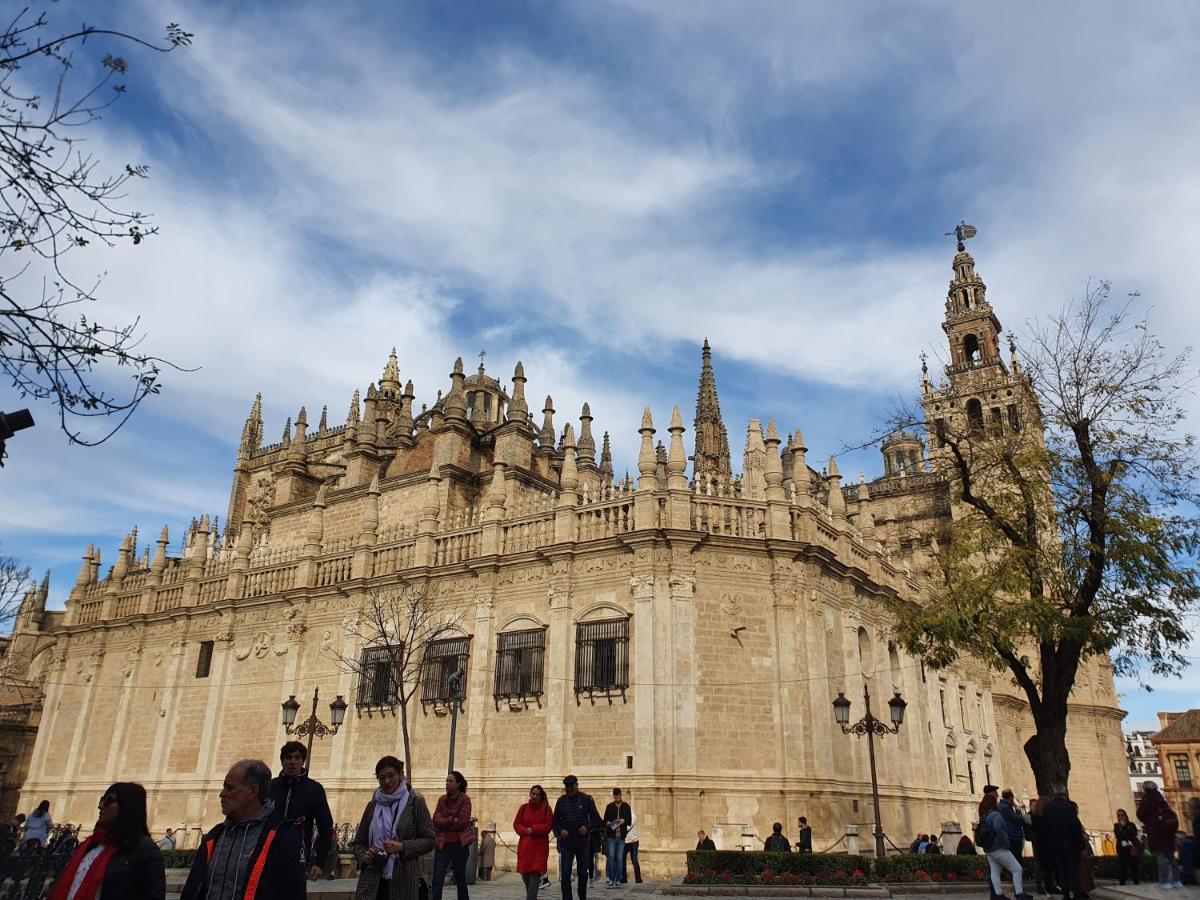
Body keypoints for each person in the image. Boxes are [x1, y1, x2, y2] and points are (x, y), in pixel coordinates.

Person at [180, 759, 306, 900]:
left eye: (230, 788)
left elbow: (294, 893)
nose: (222, 794)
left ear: (252, 791)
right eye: (224, 787)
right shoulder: (214, 837)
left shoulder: (283, 836)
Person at [46, 782, 165, 900]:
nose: (101, 805)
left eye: (109, 801)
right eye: (102, 799)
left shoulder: (145, 850)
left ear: (128, 806)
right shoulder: (91, 844)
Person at [350, 755, 435, 900]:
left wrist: (402, 847)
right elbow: (358, 842)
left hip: (404, 878)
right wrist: (364, 855)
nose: (387, 781)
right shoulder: (373, 806)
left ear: (401, 774)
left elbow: (430, 840)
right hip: (372, 878)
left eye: (391, 776)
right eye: (382, 778)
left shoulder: (415, 804)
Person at [269, 740, 334, 882]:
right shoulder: (270, 787)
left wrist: (319, 862)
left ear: (303, 761)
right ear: (282, 761)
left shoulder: (314, 789)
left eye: (297, 758)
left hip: (298, 856)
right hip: (268, 854)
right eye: (288, 757)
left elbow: (325, 826)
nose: (292, 762)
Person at [552, 774, 602, 900]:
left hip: (582, 843)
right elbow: (555, 821)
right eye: (567, 787)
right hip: (566, 844)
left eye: (571, 786)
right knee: (565, 874)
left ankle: (582, 896)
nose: (569, 789)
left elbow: (596, 819)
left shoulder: (587, 799)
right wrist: (560, 831)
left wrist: (587, 827)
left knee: (583, 874)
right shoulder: (561, 801)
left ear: (576, 785)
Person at [979, 793, 1030, 900]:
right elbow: (999, 829)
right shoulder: (995, 815)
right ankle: (1019, 893)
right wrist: (1006, 842)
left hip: (989, 848)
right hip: (998, 847)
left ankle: (998, 894)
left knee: (995, 871)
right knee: (1017, 869)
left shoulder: (985, 816)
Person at [431, 770, 473, 900]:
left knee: (460, 879)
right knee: (437, 879)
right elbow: (435, 820)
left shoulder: (465, 800)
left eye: (450, 781)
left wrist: (444, 821)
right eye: (446, 781)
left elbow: (462, 822)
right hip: (443, 844)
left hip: (459, 845)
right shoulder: (442, 800)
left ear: (458, 784)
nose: (447, 783)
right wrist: (450, 820)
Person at [1042, 786, 1085, 900]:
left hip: (1055, 844)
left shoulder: (1048, 808)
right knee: (1073, 869)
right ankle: (1076, 892)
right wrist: (1080, 841)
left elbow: (1045, 827)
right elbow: (1074, 826)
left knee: (1061, 869)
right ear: (1064, 794)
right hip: (1070, 844)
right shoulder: (1068, 807)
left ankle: (1065, 893)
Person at [1137, 780, 1182, 889]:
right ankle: (1176, 880)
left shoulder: (1147, 799)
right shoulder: (1161, 798)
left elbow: (1140, 814)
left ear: (1145, 789)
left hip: (1156, 831)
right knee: (1171, 856)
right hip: (1168, 832)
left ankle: (1165, 881)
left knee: (1160, 855)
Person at [515, 785, 554, 900]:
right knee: (525, 877)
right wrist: (524, 830)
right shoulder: (523, 808)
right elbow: (516, 824)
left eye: (537, 794)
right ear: (530, 794)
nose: (535, 796)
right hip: (525, 847)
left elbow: (548, 826)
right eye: (533, 794)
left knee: (534, 878)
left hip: (539, 849)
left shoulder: (546, 809)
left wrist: (534, 829)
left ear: (541, 796)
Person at [1029, 798, 1060, 895]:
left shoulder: (1035, 818)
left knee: (1046, 869)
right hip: (1046, 846)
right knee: (1047, 869)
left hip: (1040, 845)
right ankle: (1048, 887)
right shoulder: (1042, 818)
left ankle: (1049, 888)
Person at [602, 788, 631, 888]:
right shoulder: (609, 807)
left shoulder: (626, 806)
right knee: (611, 857)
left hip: (621, 836)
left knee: (619, 858)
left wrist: (624, 820)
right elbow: (605, 820)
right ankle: (611, 878)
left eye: (618, 797)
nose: (617, 799)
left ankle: (618, 879)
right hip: (611, 836)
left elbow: (629, 820)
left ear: (621, 795)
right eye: (615, 797)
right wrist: (608, 823)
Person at [1113, 809, 1141, 886]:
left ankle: (1136, 880)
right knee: (1123, 865)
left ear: (1125, 815)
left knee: (1133, 864)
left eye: (1122, 815)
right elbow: (1118, 835)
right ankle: (1122, 881)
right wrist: (1122, 829)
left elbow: (1133, 834)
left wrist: (1125, 827)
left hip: (1131, 847)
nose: (1121, 817)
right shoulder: (1116, 826)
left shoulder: (1131, 824)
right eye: (1119, 815)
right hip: (1122, 848)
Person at [1000, 791, 1026, 859]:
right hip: (1013, 836)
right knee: (1017, 860)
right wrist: (1018, 810)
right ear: (1011, 797)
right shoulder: (1007, 807)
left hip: (1008, 836)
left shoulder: (1000, 806)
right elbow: (1018, 820)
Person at [1180, 797, 1200, 886]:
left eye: (1189, 807)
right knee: (1184, 842)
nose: (1188, 809)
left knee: (1184, 844)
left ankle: (1188, 874)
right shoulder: (1196, 818)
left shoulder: (1197, 819)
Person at [621, 810, 641, 884]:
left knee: (634, 860)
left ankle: (638, 879)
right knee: (622, 860)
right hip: (624, 842)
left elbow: (627, 827)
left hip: (633, 842)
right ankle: (623, 878)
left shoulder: (632, 816)